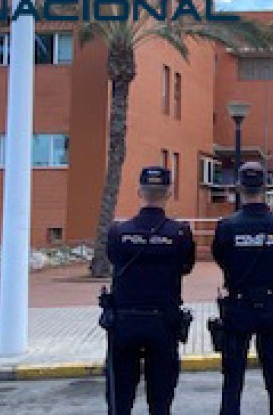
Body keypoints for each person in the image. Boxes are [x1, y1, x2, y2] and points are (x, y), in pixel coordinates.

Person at [102, 166, 196, 415]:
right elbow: (186, 267)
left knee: (119, 398)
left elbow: (113, 260)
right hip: (163, 322)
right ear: (169, 194)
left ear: (139, 192)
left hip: (125, 321)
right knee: (161, 399)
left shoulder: (118, 232)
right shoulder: (179, 233)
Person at [213, 161, 273, 415]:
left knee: (233, 381)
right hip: (272, 306)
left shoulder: (227, 227)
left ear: (239, 187)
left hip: (238, 307)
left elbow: (221, 258)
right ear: (265, 187)